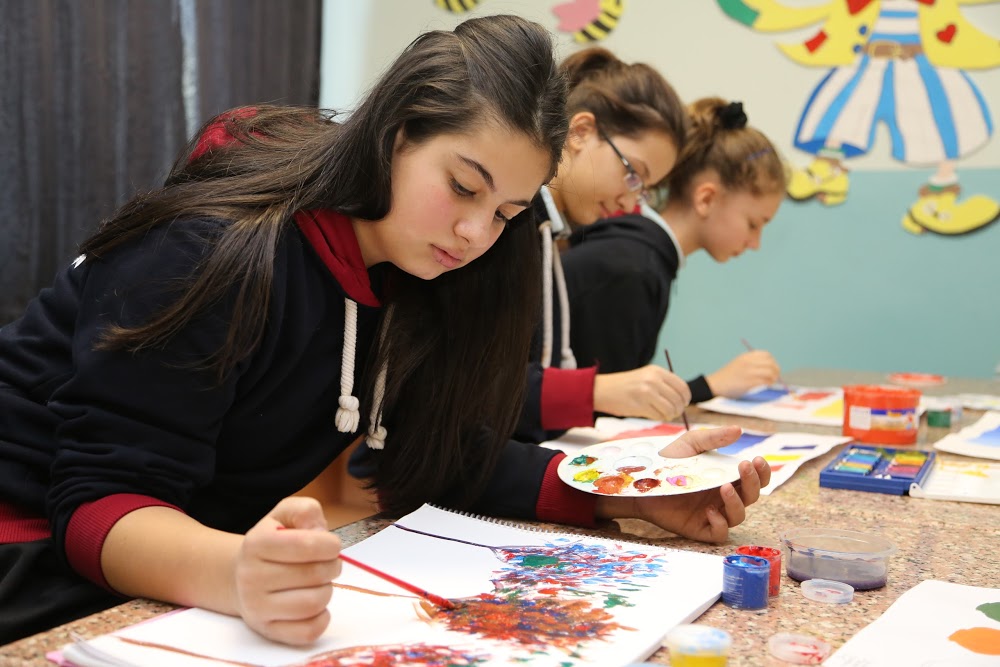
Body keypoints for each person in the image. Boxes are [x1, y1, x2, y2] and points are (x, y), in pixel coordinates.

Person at [0, 17, 768, 647]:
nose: (475, 232)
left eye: (506, 212)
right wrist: (238, 570)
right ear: (395, 134)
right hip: (32, 564)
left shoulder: (424, 268)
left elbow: (429, 451)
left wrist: (622, 492)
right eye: (463, 186)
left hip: (171, 572)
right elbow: (99, 503)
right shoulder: (215, 248)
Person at [513, 47, 696, 444]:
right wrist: (599, 391)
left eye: (645, 190)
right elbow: (472, 395)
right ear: (580, 132)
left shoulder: (549, 232)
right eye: (634, 174)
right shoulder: (511, 223)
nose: (632, 203)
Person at [557, 97, 786, 403]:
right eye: (753, 223)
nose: (755, 243)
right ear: (706, 199)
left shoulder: (644, 257)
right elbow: (606, 408)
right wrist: (711, 385)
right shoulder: (631, 269)